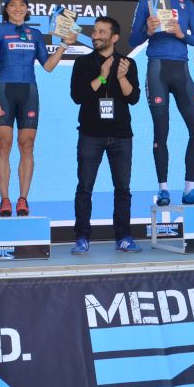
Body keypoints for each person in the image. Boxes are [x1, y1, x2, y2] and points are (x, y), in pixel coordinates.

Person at [0, 0, 75, 216]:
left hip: (29, 92)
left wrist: (64, 45)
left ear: (27, 9)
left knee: (27, 144)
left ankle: (23, 199)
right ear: (6, 9)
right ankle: (4, 199)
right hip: (4, 91)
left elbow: (48, 66)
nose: (17, 9)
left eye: (22, 5)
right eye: (12, 5)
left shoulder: (35, 34)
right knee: (3, 143)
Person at [129, 0, 194, 206]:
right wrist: (148, 30)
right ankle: (163, 189)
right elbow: (132, 40)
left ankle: (189, 189)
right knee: (161, 129)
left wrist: (182, 34)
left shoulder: (187, 4)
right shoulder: (146, 3)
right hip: (158, 68)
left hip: (181, 69)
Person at [69, 16, 142, 254]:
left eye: (101, 32)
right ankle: (82, 237)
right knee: (85, 188)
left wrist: (120, 77)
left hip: (121, 135)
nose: (95, 36)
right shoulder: (83, 63)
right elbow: (78, 96)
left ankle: (123, 236)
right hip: (90, 134)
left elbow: (133, 98)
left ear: (114, 37)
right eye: (95, 31)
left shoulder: (128, 63)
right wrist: (101, 76)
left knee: (123, 189)